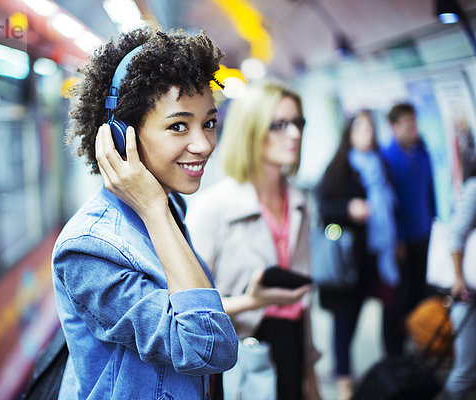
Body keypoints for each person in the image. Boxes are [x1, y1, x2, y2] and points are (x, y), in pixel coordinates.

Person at [52, 27, 238, 400]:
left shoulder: (168, 206)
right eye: (178, 126)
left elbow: (180, 310)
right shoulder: (89, 249)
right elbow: (206, 346)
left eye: (209, 123)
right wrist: (154, 209)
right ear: (122, 136)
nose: (202, 144)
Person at [187, 80, 321, 400]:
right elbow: (187, 308)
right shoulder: (213, 208)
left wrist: (311, 375)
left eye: (298, 123)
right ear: (251, 130)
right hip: (240, 351)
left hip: (293, 343)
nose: (294, 134)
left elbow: (301, 298)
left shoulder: (301, 202)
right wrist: (255, 300)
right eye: (279, 125)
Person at [316, 110, 399, 400]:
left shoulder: (380, 165)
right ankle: (344, 383)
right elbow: (324, 207)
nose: (367, 133)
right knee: (345, 324)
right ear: (349, 133)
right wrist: (349, 209)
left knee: (392, 316)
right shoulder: (340, 167)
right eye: (360, 128)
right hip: (348, 262)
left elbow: (391, 208)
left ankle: (394, 372)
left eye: (370, 128)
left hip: (378, 258)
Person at [380, 102, 437, 355]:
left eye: (415, 123)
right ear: (394, 127)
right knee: (397, 299)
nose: (413, 128)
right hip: (400, 240)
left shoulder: (423, 152)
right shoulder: (387, 158)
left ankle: (419, 343)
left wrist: (434, 223)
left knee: (419, 292)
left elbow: (430, 192)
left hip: (424, 233)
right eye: (407, 124)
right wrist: (397, 239)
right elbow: (389, 207)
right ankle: (394, 350)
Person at [443, 160, 476, 400]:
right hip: (469, 295)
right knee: (465, 372)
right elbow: (455, 233)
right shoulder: (474, 189)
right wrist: (458, 278)